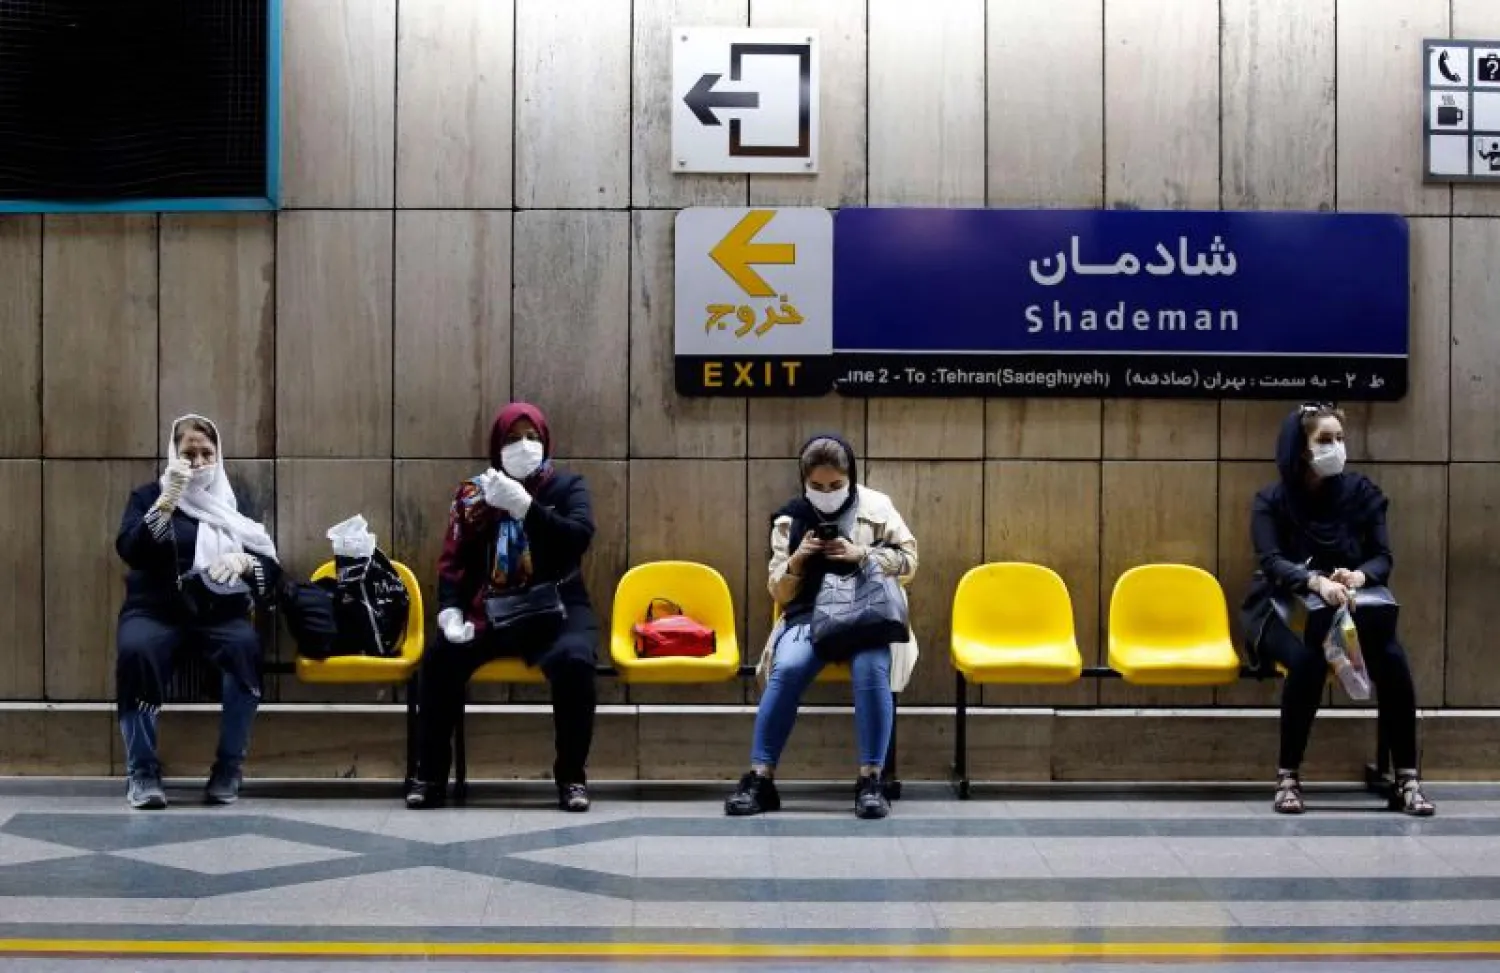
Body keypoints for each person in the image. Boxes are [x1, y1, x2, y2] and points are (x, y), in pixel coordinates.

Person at [1242, 404, 1435, 816]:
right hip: (1282, 608)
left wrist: (1358, 577)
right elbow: (1272, 562)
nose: (1336, 448)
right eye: (1324, 441)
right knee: (1309, 659)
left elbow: (1383, 558)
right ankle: (1288, 776)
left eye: (1339, 439)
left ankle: (1407, 777)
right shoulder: (1271, 500)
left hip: (1348, 607)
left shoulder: (1362, 494)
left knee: (1392, 658)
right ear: (1300, 449)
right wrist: (1314, 582)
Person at [406, 403, 598, 812]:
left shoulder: (567, 487)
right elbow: (453, 560)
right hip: (490, 608)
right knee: (440, 658)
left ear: (545, 442)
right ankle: (430, 776)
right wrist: (451, 610)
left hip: (556, 608)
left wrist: (527, 508)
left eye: (532, 437)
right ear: (496, 446)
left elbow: (576, 539)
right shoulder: (475, 494)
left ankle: (571, 777)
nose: (523, 446)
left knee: (576, 661)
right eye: (512, 438)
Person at [725, 434, 918, 820]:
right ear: (804, 481)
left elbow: (910, 561)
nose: (826, 494)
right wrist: (797, 561)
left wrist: (862, 554)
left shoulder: (877, 507)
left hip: (866, 615)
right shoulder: (789, 519)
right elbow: (778, 588)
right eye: (816, 486)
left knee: (870, 668)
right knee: (789, 668)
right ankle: (761, 778)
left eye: (835, 486)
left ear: (850, 478)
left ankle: (871, 779)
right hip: (808, 614)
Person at [115, 415, 280, 810]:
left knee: (245, 650)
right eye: (189, 454)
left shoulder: (232, 502)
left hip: (219, 612)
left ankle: (228, 768)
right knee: (136, 652)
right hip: (155, 610)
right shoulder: (147, 496)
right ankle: (142, 771)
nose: (199, 462)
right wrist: (164, 504)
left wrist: (245, 563)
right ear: (174, 455)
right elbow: (130, 549)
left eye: (207, 453)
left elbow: (272, 569)